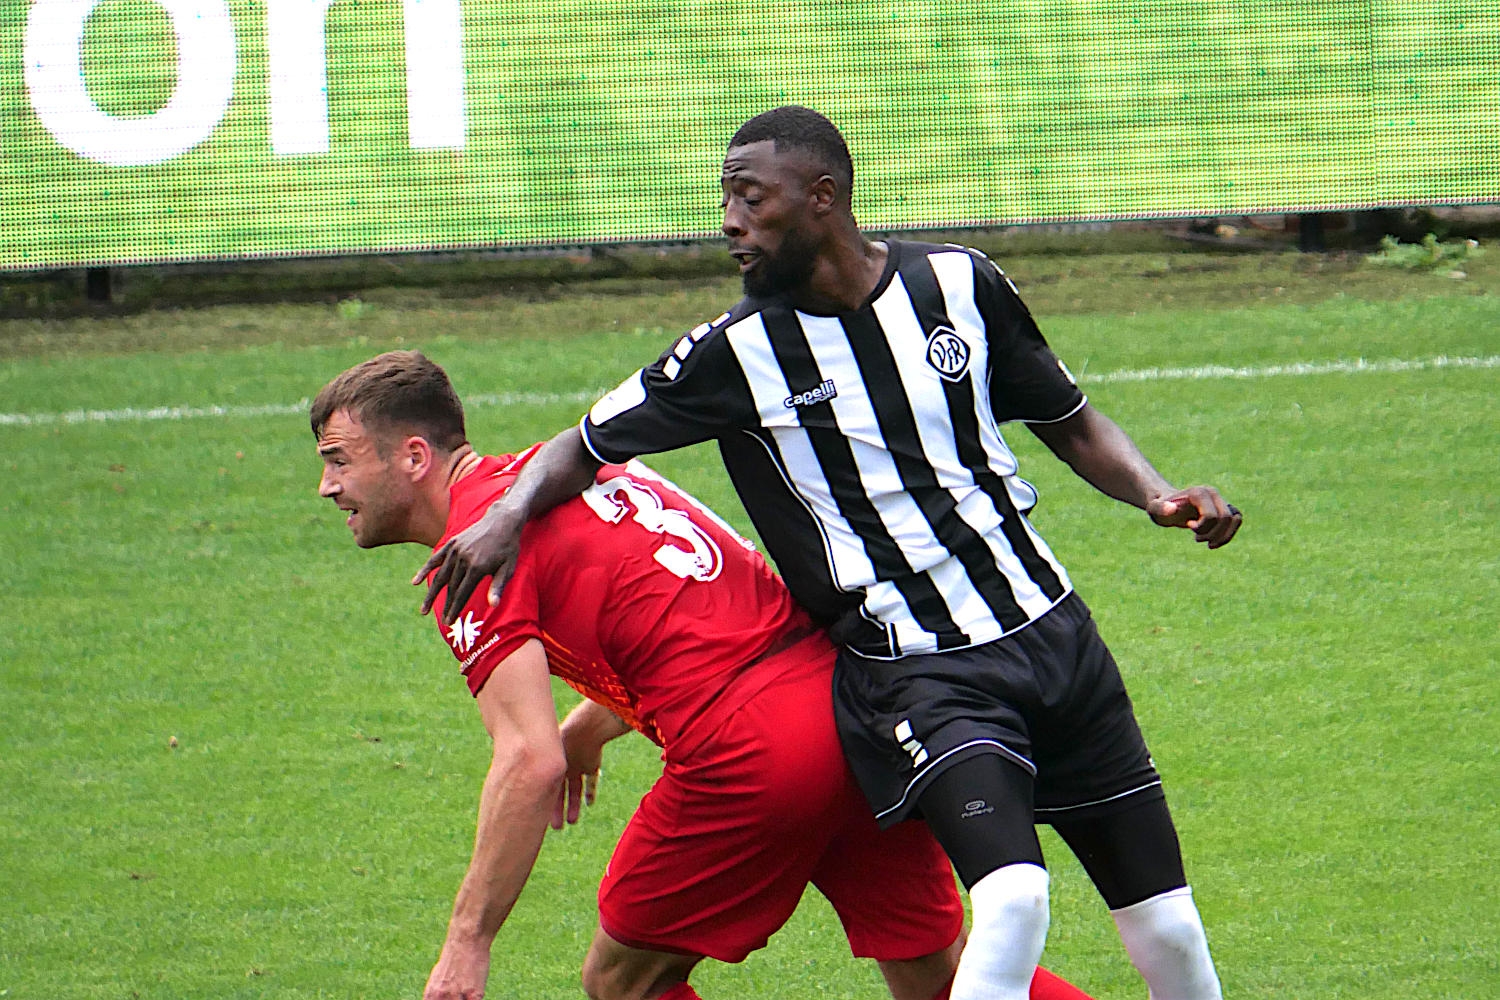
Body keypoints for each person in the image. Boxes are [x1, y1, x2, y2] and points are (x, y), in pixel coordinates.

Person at [416, 106, 1244, 1000]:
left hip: (1057, 634)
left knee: (1168, 927)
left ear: (822, 197)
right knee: (1011, 901)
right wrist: (504, 516)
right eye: (725, 200)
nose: (730, 222)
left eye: (750, 198)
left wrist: (1156, 492)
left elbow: (1070, 420)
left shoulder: (959, 283)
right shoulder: (735, 353)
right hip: (921, 674)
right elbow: (583, 444)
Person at [311, 350, 1097, 1000]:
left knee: (624, 981)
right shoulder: (565, 472)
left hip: (752, 751)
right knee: (942, 976)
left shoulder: (480, 549)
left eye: (339, 460)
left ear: (413, 457)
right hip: (854, 707)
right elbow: (691, 616)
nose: (328, 487)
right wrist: (593, 725)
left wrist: (466, 944)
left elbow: (527, 759)